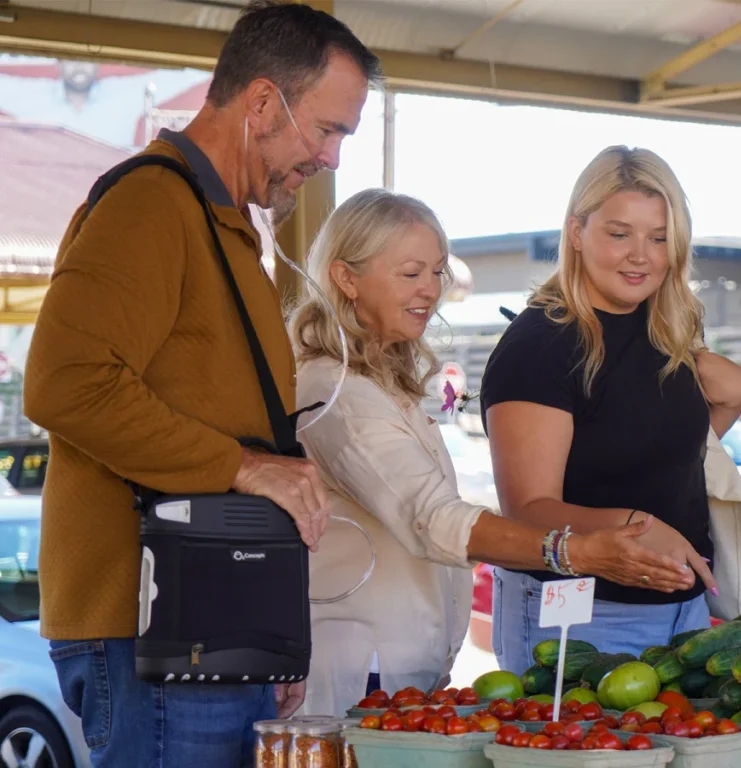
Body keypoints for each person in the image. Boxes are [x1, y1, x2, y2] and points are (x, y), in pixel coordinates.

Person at [23, 3, 381, 766]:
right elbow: (65, 385)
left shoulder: (218, 223)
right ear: (260, 103)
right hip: (156, 631)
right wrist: (248, 467)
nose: (332, 158)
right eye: (327, 129)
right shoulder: (151, 203)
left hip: (211, 625)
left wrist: (273, 630)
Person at [289, 188, 705, 717]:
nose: (430, 291)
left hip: (402, 665)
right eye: (411, 273)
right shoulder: (338, 393)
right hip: (355, 670)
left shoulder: (379, 381)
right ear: (346, 278)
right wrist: (575, 552)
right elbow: (432, 519)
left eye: (437, 273)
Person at [481, 145, 741, 675]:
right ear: (576, 232)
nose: (640, 254)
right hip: (582, 617)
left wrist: (732, 390)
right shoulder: (543, 343)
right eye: (619, 233)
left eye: (660, 237)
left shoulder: (665, 335)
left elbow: (664, 459)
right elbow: (527, 509)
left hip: (684, 613)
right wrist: (637, 525)